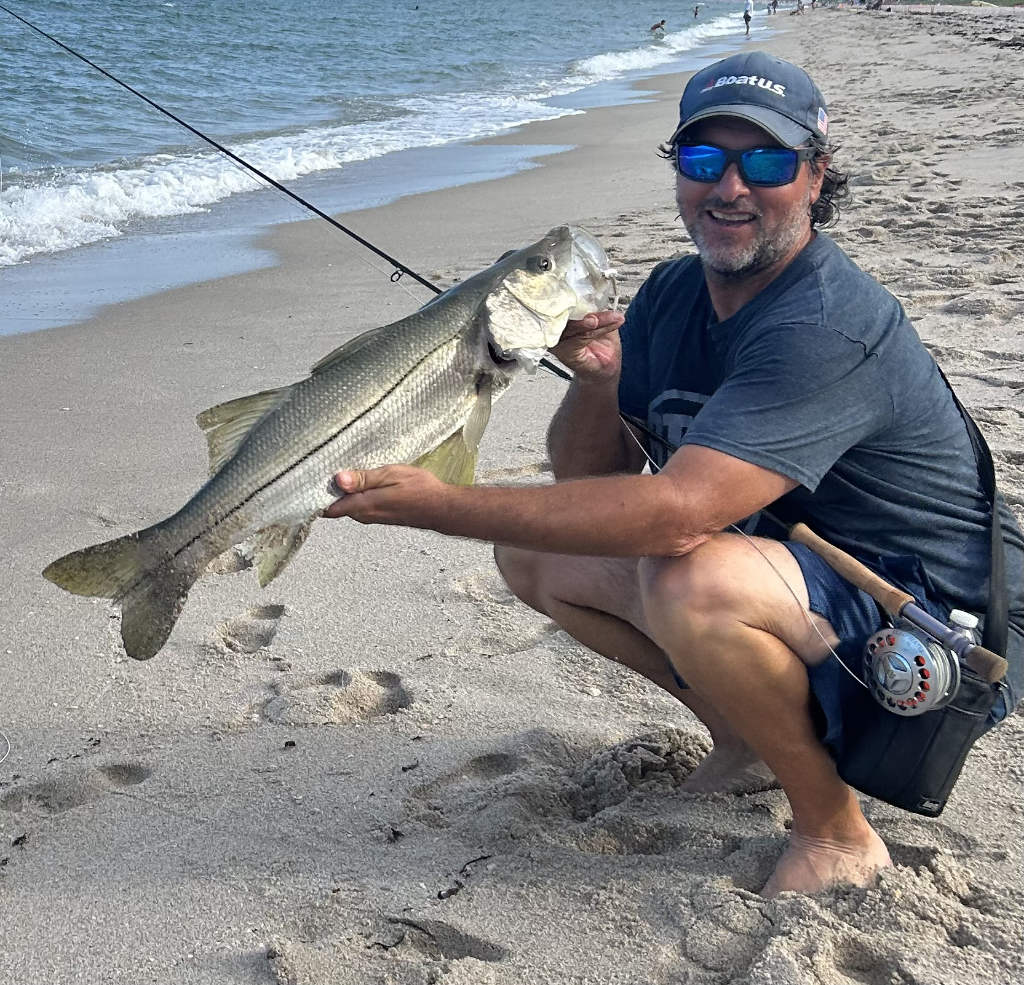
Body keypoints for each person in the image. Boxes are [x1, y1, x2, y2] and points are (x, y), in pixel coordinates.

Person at [324, 51, 1023, 896]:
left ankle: (836, 832)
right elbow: (592, 482)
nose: (730, 187)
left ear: (814, 177)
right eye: (704, 160)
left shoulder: (826, 323)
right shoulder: (672, 293)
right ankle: (743, 741)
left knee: (693, 576)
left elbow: (676, 516)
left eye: (766, 161)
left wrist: (443, 505)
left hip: (936, 632)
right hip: (803, 587)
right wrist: (600, 378)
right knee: (537, 554)